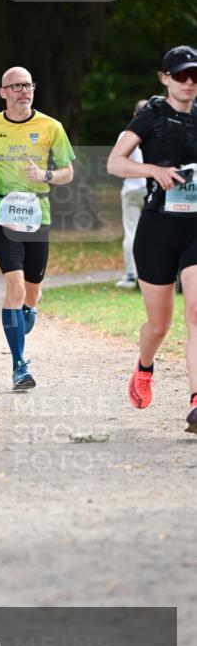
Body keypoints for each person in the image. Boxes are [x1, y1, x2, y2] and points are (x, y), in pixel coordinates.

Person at [107, 45, 197, 433]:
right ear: (164, 77)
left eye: (194, 75)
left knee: (196, 312)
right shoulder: (152, 114)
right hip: (158, 227)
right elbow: (115, 162)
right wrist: (153, 171)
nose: (189, 82)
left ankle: (196, 401)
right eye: (180, 75)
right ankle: (145, 366)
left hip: (196, 226)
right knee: (159, 326)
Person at [0, 67, 75, 389]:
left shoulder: (50, 127)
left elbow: (68, 170)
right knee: (13, 286)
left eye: (27, 85)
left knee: (32, 291)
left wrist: (46, 176)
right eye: (15, 86)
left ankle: (28, 310)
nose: (22, 90)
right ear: (3, 92)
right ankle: (19, 365)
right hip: (3, 211)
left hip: (37, 213)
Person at [115, 100, 148, 289]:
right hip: (152, 188)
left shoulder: (126, 135)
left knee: (131, 232)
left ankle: (130, 275)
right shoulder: (157, 131)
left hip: (132, 189)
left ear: (134, 114)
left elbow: (119, 164)